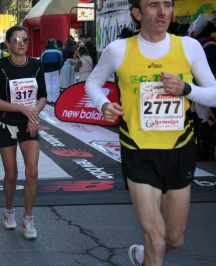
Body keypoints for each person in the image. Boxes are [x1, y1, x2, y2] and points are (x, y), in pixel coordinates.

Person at [85, 1, 216, 265]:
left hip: (180, 149)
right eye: (153, 5)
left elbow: (213, 92)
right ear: (137, 13)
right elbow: (92, 82)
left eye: (167, 5)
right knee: (156, 238)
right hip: (138, 150)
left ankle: (144, 257)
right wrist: (103, 104)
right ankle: (151, 252)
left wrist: (186, 89)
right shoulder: (118, 50)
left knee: (174, 240)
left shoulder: (188, 47)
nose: (162, 11)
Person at [0, 25, 47, 240]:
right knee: (11, 174)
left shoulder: (36, 65)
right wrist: (22, 109)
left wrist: (32, 115)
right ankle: (9, 210)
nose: (22, 44)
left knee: (32, 172)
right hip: (6, 125)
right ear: (8, 44)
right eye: (17, 40)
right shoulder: (0, 66)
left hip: (28, 125)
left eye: (25, 40)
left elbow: (43, 97)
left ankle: (28, 217)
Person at [188, 13, 216, 161]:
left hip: (207, 91)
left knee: (207, 123)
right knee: (201, 123)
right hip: (200, 90)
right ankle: (202, 150)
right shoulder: (207, 48)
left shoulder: (210, 49)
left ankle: (207, 152)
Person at [40, 38, 64, 103]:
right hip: (55, 69)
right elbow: (61, 62)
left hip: (46, 70)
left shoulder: (43, 52)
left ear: (47, 43)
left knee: (48, 84)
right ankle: (55, 99)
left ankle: (49, 98)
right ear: (54, 43)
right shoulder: (58, 51)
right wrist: (59, 68)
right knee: (55, 84)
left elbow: (41, 62)